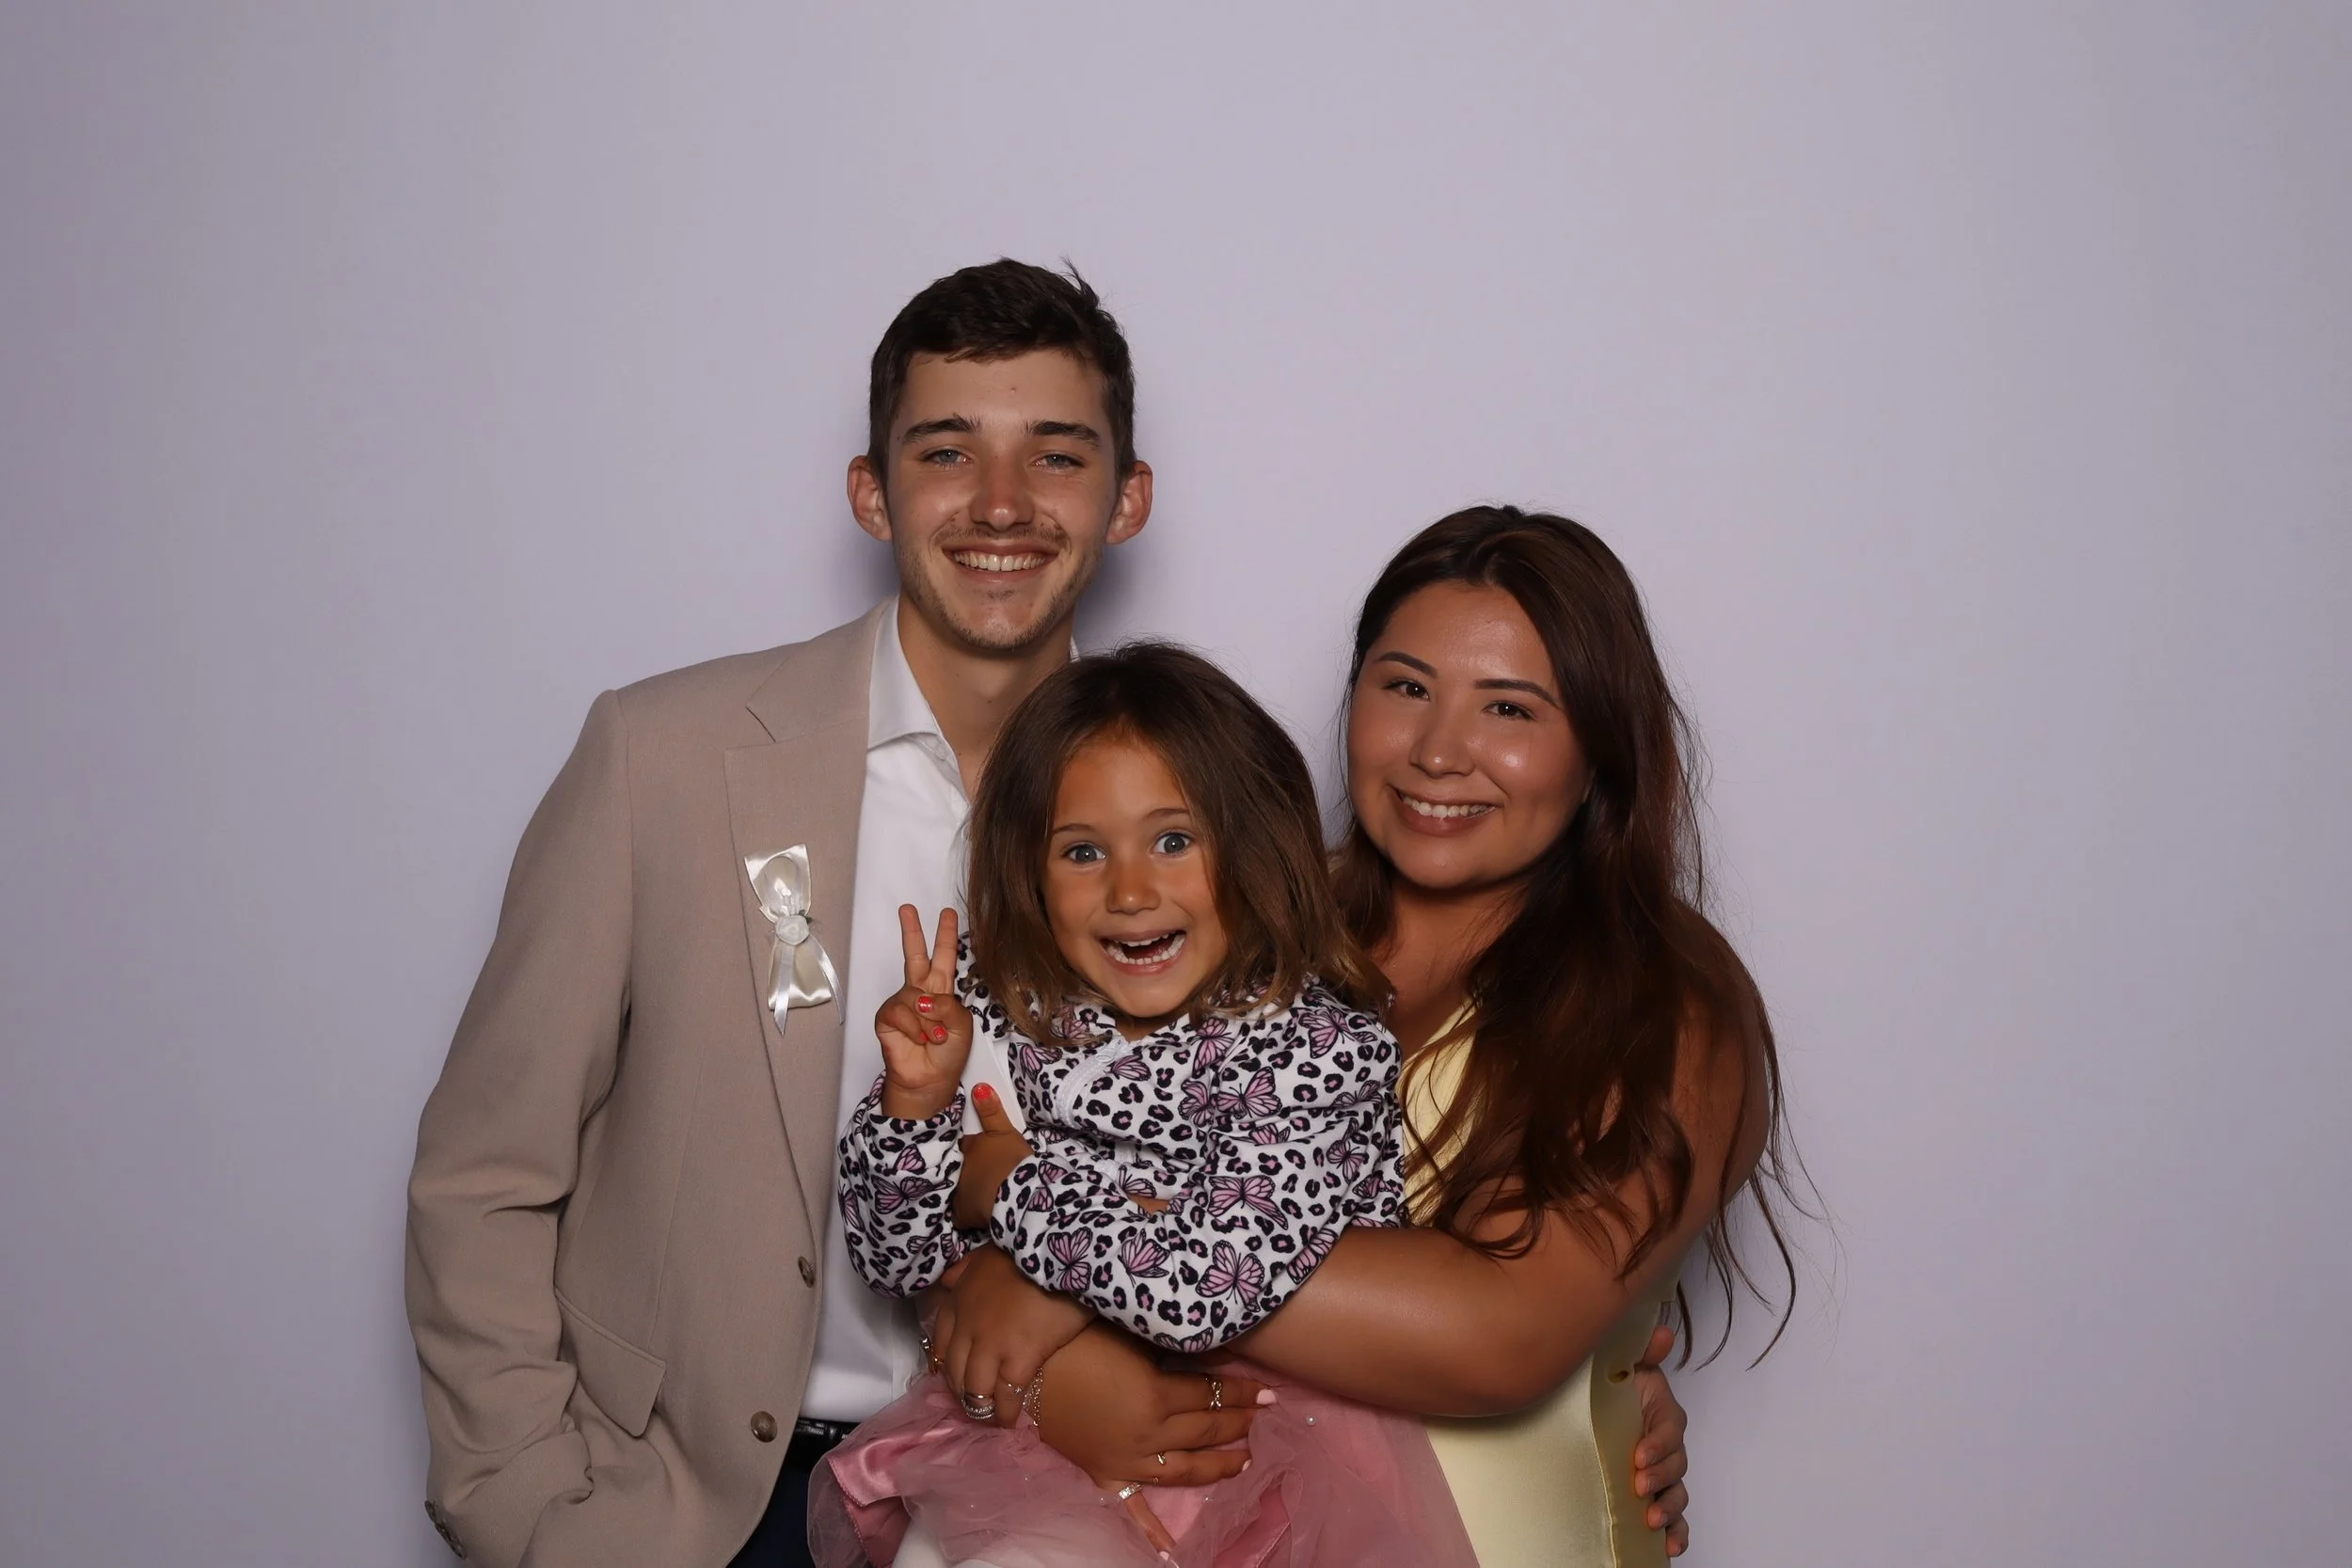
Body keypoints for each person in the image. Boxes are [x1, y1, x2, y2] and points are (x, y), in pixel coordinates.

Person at [403, 262, 1697, 1568]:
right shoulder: (666, 758)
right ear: (871, 490)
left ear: (1128, 498)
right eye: (946, 450)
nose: (1001, 503)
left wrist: (1594, 1377)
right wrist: (526, 1505)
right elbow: (489, 1167)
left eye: (1058, 455)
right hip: (693, 1512)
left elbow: (1334, 1222)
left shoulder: (1203, 841)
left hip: (1060, 1495)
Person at [930, 506, 1796, 1565]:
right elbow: (969, 1178)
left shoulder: (1661, 1002)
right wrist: (1051, 1364)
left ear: (1600, 749)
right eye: (1405, 688)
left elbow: (1494, 1335)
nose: (1438, 751)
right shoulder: (1225, 918)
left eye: (1509, 708)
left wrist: (1050, 1253)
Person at [816, 643, 1475, 1566]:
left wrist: (1006, 1185)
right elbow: (894, 1259)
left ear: (1249, 845)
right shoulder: (1013, 1011)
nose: (1129, 891)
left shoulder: (1313, 1051)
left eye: (1173, 840)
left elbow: (1200, 1291)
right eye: (1083, 851)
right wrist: (916, 1106)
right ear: (1031, 873)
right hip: (1038, 1432)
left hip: (1244, 1443)